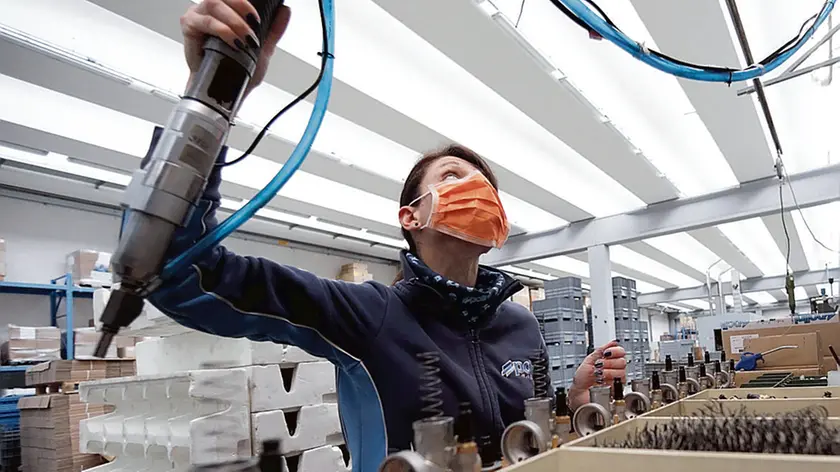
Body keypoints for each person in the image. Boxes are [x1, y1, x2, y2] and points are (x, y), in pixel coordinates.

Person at [150, 1, 627, 470]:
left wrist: (576, 401)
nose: (476, 191)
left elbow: (534, 446)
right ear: (411, 216)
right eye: (454, 177)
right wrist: (212, 96)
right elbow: (183, 276)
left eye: (487, 189)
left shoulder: (521, 327)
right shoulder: (370, 315)